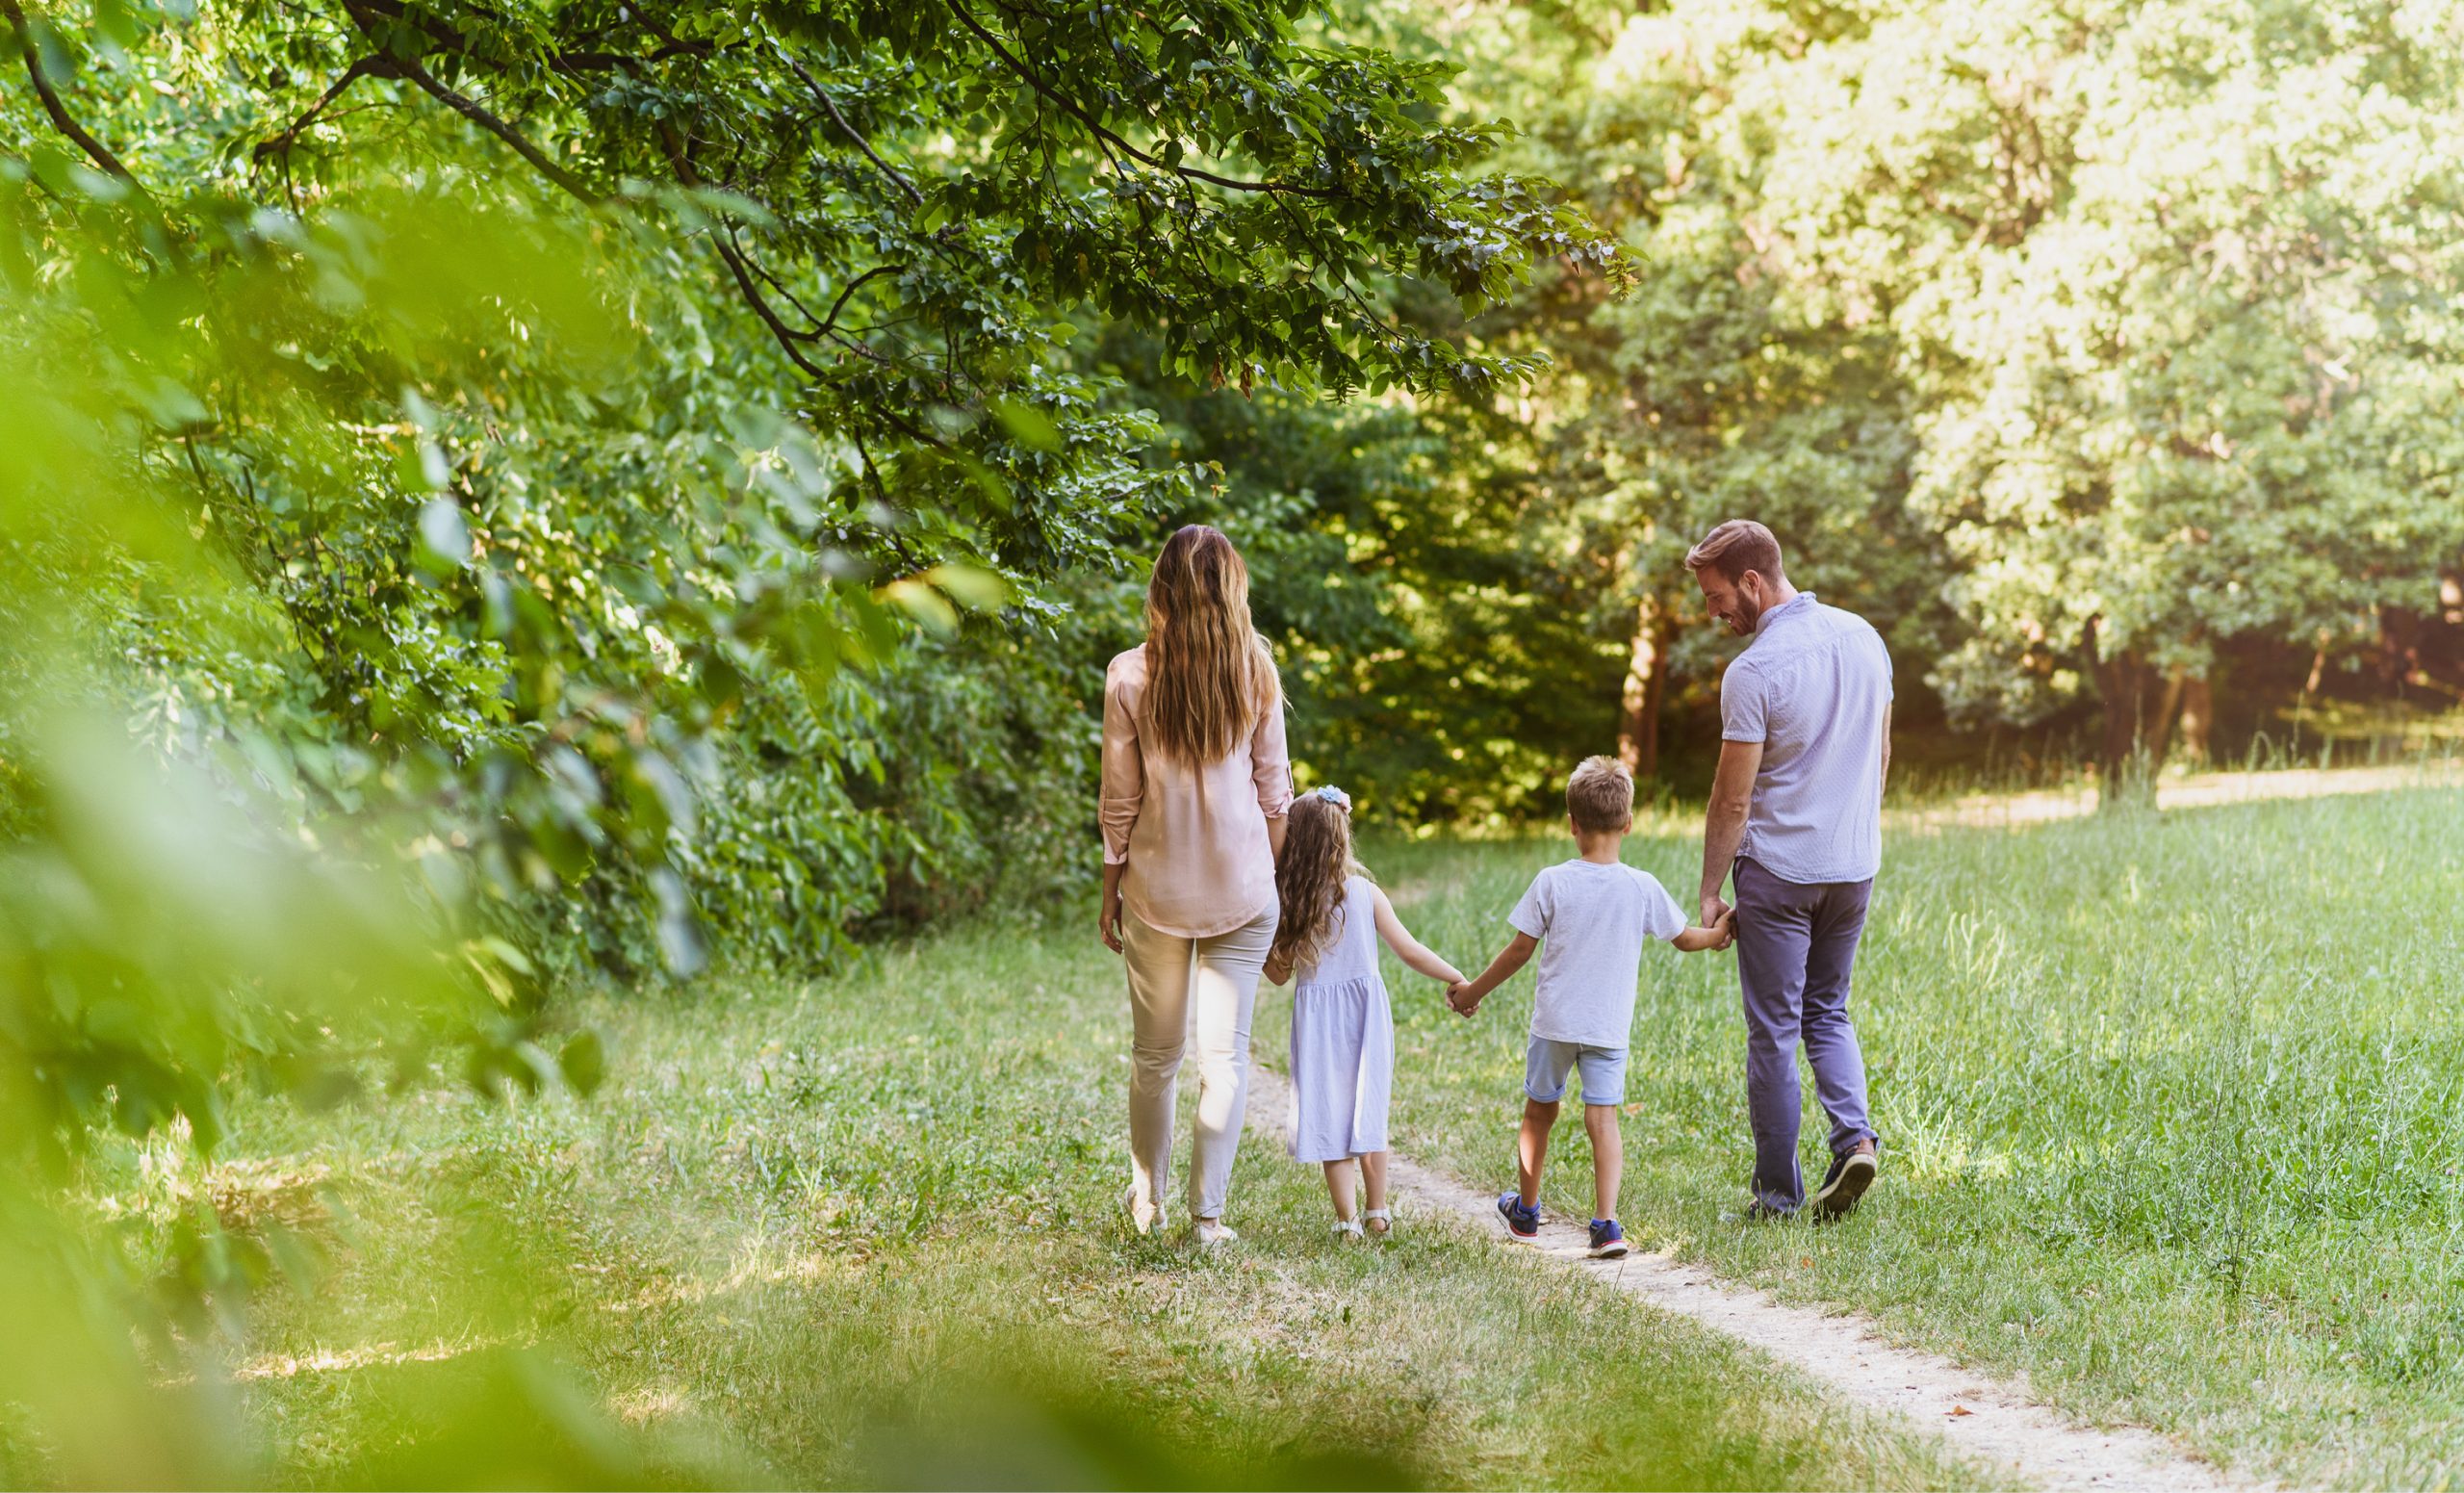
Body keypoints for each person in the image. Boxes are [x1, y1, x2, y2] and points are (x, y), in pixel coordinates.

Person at [1685, 518, 1892, 1223]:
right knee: (1827, 1010)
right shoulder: (1865, 637)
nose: (1714, 613)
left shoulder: (1754, 672)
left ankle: (1777, 1195)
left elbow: (1732, 796)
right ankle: (1855, 1137)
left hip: (1780, 872)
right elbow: (1880, 757)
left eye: (1717, 597)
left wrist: (1712, 891)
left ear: (1753, 580)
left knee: (1773, 1028)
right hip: (1854, 864)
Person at [1448, 756, 1735, 1258]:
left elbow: (1519, 951)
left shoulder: (1553, 881)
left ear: (1572, 824)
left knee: (1539, 1113)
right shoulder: (1641, 886)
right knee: (1603, 1120)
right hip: (1607, 1028)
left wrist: (1472, 992)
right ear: (1628, 823)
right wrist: (1719, 933)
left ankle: (1527, 1213)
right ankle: (1606, 1225)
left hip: (1554, 1025)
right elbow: (1684, 938)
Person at [1100, 525, 1292, 1248]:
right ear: (1232, 586)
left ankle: (1147, 1204)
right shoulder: (1257, 671)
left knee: (1156, 1057)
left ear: (1162, 589)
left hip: (1155, 889)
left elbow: (1120, 799)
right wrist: (1270, 879)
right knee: (1226, 1061)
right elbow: (1275, 796)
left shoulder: (1128, 674)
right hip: (1243, 891)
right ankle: (1206, 1219)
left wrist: (1110, 886)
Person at [1263, 785, 1466, 1241]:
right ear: (1342, 837)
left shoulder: (1291, 903)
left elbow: (1278, 975)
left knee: (1332, 1117)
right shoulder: (1364, 893)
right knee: (1368, 1113)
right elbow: (1410, 950)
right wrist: (1457, 977)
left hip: (1318, 1022)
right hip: (1366, 1017)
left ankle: (1346, 1221)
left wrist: (1256, 939)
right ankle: (1378, 1213)